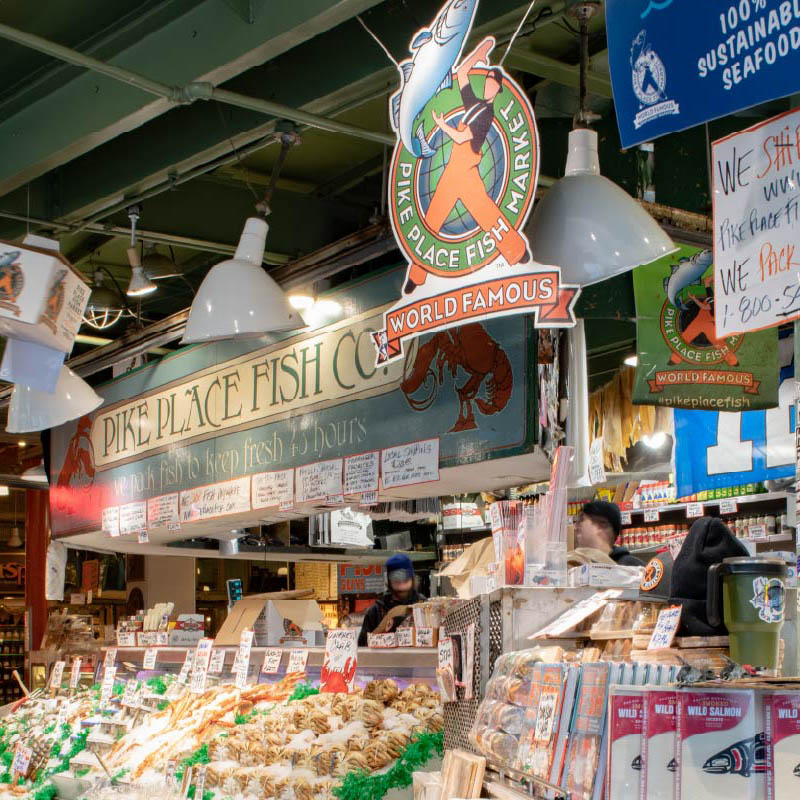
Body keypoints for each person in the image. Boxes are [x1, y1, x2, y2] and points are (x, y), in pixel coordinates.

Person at [404, 37, 528, 294]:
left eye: (494, 85)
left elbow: (461, 137)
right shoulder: (474, 103)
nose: (490, 86)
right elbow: (461, 73)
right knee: (432, 221)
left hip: (467, 171)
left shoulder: (486, 114)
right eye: (490, 82)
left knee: (488, 216)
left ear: (497, 91)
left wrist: (441, 126)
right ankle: (416, 276)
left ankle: (518, 251)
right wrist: (479, 52)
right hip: (452, 171)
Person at [357, 554, 425, 646]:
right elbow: (362, 648)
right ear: (389, 581)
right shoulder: (375, 611)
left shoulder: (426, 606)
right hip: (383, 660)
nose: (401, 584)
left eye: (405, 579)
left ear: (412, 578)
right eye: (396, 579)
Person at [575, 500, 644, 567]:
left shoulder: (631, 567)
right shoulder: (580, 564)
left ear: (600, 525)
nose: (575, 527)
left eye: (581, 520)